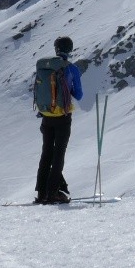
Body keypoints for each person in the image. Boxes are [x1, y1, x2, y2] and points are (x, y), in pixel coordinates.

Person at [33, 36, 83, 204]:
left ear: (56, 49)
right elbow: (79, 94)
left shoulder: (45, 66)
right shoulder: (72, 68)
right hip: (63, 116)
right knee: (59, 154)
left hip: (46, 116)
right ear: (70, 50)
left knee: (46, 152)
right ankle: (53, 192)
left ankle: (41, 193)